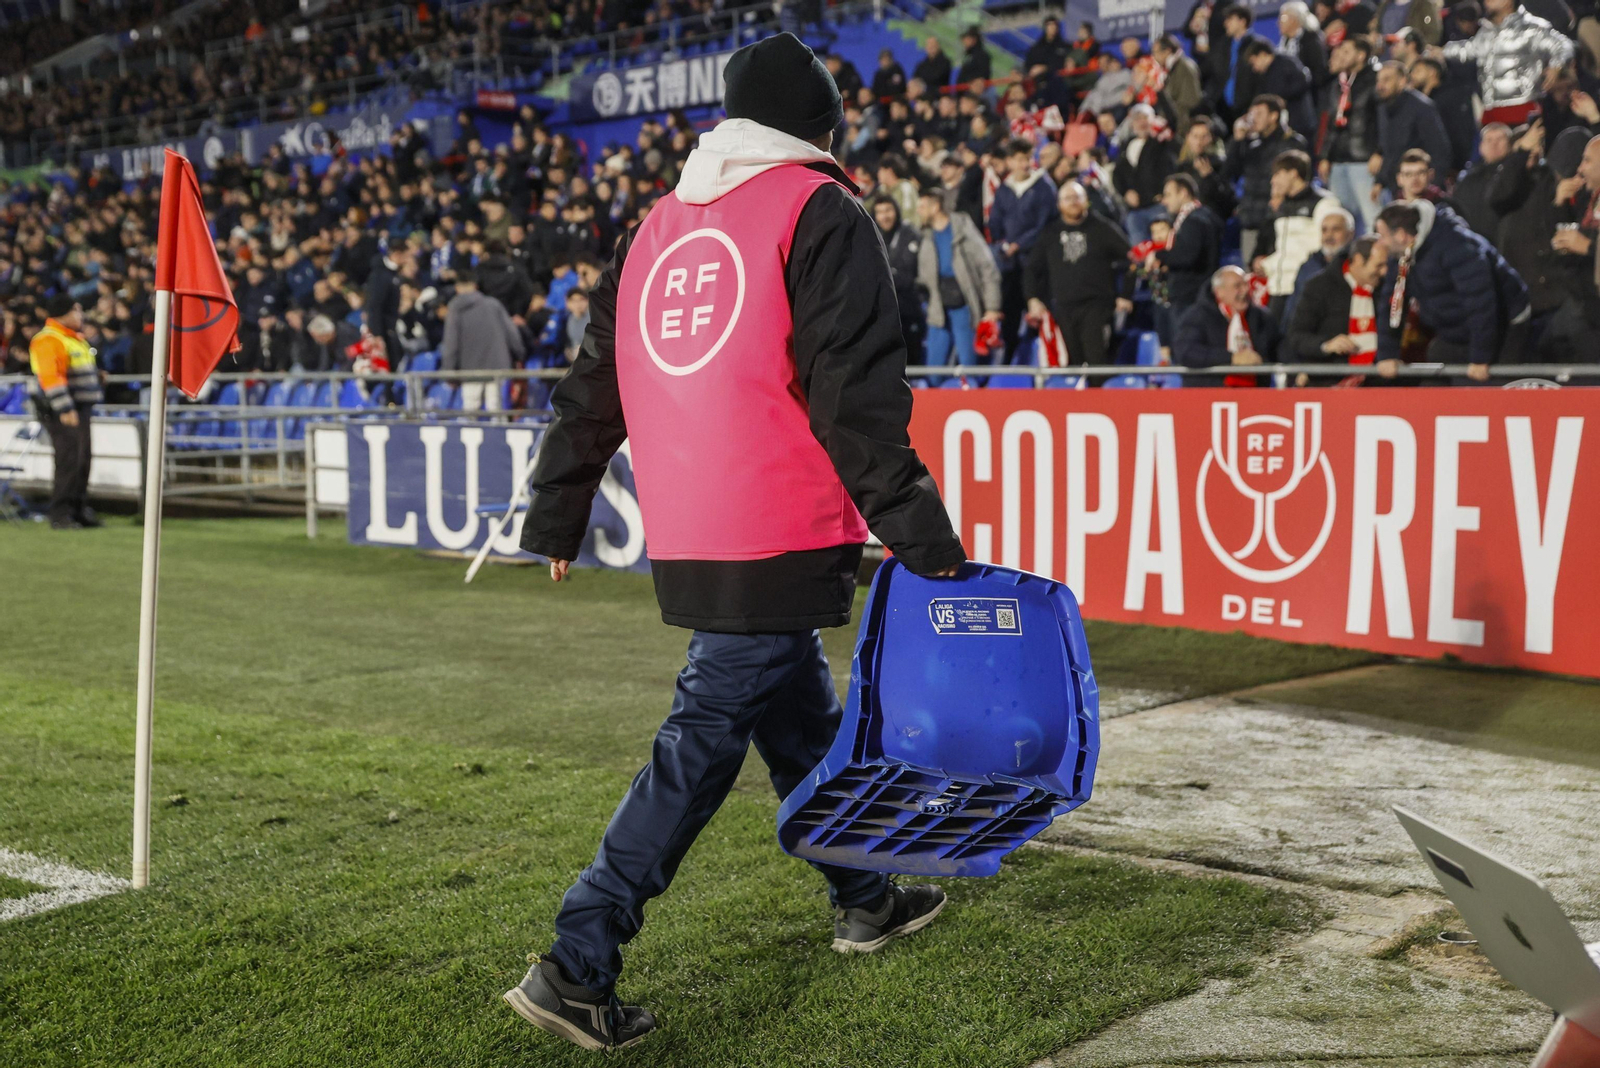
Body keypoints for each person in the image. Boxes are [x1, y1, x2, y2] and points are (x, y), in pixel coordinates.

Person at [507, 35, 964, 1052]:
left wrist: (557, 510)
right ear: (822, 123)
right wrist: (923, 538)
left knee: (794, 713)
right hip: (780, 521)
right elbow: (857, 398)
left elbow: (595, 384)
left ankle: (865, 894)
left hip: (692, 528)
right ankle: (577, 960)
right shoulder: (820, 210)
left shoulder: (656, 225)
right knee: (704, 738)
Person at [1373, 200, 1529, 378]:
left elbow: (1480, 303)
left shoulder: (1456, 245)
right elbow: (1392, 304)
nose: (1380, 243)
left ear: (1401, 235)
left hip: (1505, 322)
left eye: (1382, 236)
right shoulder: (1401, 254)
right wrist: (1387, 355)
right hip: (1456, 328)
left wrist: (1480, 358)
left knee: (1493, 392)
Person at [1025, 181, 1135, 369]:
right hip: (1063, 309)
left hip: (1097, 307)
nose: (1073, 202)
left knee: (1097, 365)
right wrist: (1033, 298)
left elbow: (1133, 259)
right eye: (1068, 198)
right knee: (1068, 366)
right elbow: (1032, 269)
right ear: (1059, 205)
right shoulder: (1050, 233)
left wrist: (1126, 295)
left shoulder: (1103, 228)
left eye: (1078, 197)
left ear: (1086, 201)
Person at [28, 295, 102, 530]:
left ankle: (78, 510)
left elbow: (73, 370)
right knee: (68, 461)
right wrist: (65, 408)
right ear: (65, 313)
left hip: (79, 409)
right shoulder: (49, 339)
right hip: (63, 411)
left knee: (82, 461)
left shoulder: (73, 338)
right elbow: (51, 378)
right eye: (77, 311)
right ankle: (60, 514)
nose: (81, 316)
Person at [1438, 0, 1574, 128]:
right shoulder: (1487, 30)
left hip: (1521, 109)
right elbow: (1469, 49)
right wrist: (1441, 51)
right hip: (1490, 112)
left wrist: (1557, 65)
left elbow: (1564, 45)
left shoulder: (1532, 28)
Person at [916, 186, 1002, 372]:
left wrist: (992, 308)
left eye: (922, 206)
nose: (918, 211)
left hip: (964, 305)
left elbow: (988, 268)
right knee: (933, 372)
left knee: (969, 367)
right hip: (938, 307)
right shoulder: (926, 235)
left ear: (935, 207)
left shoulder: (963, 230)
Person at [1285, 234, 1392, 381]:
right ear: (1359, 260)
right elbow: (1296, 336)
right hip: (1331, 381)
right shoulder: (1319, 286)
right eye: (1379, 265)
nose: (1384, 272)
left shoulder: (1388, 287)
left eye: (1387, 265)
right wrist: (1327, 345)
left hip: (1378, 382)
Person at [988, 138, 1058, 359]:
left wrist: (1020, 244)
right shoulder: (1003, 190)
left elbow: (1045, 225)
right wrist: (1004, 246)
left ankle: (1045, 362)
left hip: (1036, 263)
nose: (1024, 164)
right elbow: (995, 222)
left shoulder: (1044, 187)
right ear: (1009, 161)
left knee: (1039, 314)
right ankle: (1009, 364)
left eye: (1028, 159)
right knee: (1009, 316)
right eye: (1019, 159)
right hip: (1010, 266)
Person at [1254, 150, 1341, 321]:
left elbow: (1326, 246)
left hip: (1303, 286)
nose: (1273, 180)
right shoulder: (1282, 206)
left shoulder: (1323, 203)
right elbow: (1284, 248)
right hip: (1278, 287)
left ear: (1293, 173)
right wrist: (1267, 264)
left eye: (1278, 174)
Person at [1228, 94, 1309, 263]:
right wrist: (1237, 141)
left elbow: (1301, 180)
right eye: (1251, 114)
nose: (1252, 119)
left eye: (1258, 114)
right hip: (1251, 219)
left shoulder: (1292, 143)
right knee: (1252, 272)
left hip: (1279, 219)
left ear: (1274, 116)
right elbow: (1229, 171)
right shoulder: (1249, 143)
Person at [1317, 36, 1382, 233]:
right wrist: (1325, 156)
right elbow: (1332, 123)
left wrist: (1380, 152)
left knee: (1373, 221)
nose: (1340, 55)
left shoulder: (1377, 80)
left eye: (1346, 52)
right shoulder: (1340, 83)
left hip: (1364, 160)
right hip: (1338, 160)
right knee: (1342, 223)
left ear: (1361, 55)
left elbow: (1384, 122)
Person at [440, 268, 525, 412]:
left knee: (471, 416)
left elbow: (451, 344)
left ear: (457, 287)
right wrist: (519, 355)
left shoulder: (455, 309)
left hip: (469, 371)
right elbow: (513, 334)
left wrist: (449, 373)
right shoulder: (493, 304)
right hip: (498, 367)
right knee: (497, 413)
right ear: (475, 285)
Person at [1175, 265, 1282, 378]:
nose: (1245, 290)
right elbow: (1186, 352)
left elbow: (1279, 347)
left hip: (1256, 392)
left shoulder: (1262, 317)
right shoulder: (1197, 316)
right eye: (1237, 286)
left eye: (1246, 284)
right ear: (1219, 292)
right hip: (1211, 391)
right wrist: (1231, 358)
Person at [1373, 61, 1455, 198]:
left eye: (1387, 79)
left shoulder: (1422, 107)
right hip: (1396, 188)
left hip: (1420, 190)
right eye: (1379, 80)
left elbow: (1440, 151)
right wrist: (1379, 182)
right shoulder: (1383, 108)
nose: (1380, 85)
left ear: (1402, 81)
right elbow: (1389, 150)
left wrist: (1431, 189)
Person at [1153, 174, 1224, 317]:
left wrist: (1158, 255)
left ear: (1184, 193)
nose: (1165, 201)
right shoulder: (1205, 214)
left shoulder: (1194, 220)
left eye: (1169, 195)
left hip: (1190, 297)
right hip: (1198, 294)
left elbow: (1186, 256)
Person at [1112, 104, 1175, 244]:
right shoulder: (1126, 146)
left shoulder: (1161, 142)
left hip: (1159, 206)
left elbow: (1172, 121)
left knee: (1164, 244)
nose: (1142, 122)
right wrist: (1126, 192)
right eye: (1137, 119)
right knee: (1139, 249)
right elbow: (1117, 175)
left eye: (1145, 117)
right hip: (1136, 211)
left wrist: (1164, 193)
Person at [872, 197, 925, 362]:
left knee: (912, 359)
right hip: (884, 311)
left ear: (896, 211)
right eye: (879, 212)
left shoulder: (910, 233)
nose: (884, 216)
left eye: (888, 210)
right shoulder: (872, 235)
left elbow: (908, 275)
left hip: (909, 309)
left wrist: (882, 278)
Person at [1284, 206, 1355, 323]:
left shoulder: (1357, 266)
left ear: (1350, 233)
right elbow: (1292, 310)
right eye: (1324, 230)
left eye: (1336, 229)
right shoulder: (1307, 267)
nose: (1329, 235)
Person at [1409, 56, 1477, 175]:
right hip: (1425, 167)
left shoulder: (1451, 97)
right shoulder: (1418, 101)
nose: (1412, 76)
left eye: (1418, 71)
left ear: (1432, 72)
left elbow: (1460, 132)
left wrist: (1454, 166)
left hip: (1448, 168)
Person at [1241, 39, 1315, 136]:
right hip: (1282, 127)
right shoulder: (1264, 74)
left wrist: (1281, 98)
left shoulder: (1287, 63)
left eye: (1254, 62)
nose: (1254, 68)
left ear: (1263, 54)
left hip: (1300, 123)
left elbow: (1303, 82)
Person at [1454, 122, 1515, 238]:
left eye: (1499, 139)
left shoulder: (1516, 174)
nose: (1494, 144)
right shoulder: (1469, 178)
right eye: (1489, 140)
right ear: (1481, 147)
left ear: (1510, 144)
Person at [1152, 34, 1203, 132]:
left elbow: (1191, 101)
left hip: (1184, 128)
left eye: (1155, 52)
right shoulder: (1170, 70)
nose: (1154, 57)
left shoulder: (1184, 67)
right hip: (1176, 125)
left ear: (1167, 51)